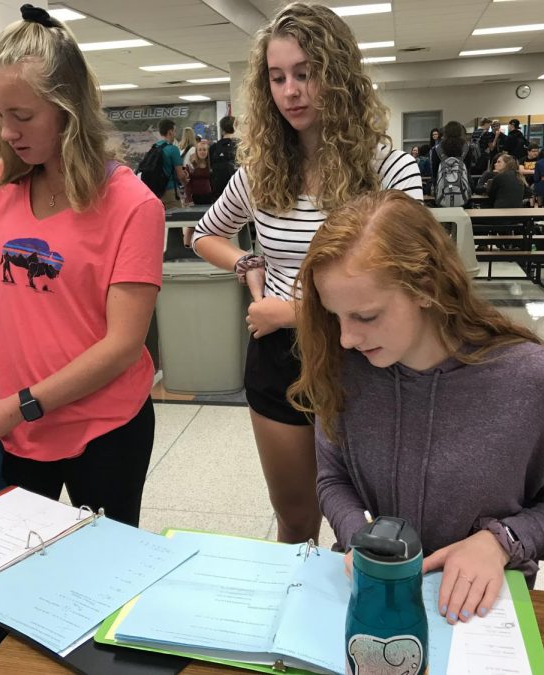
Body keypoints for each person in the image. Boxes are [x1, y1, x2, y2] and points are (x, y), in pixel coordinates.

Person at [0, 4, 164, 527]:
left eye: (23, 116)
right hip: (16, 429)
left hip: (104, 426)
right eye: (0, 113)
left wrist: (18, 405)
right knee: (10, 566)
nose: (8, 131)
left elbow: (122, 344)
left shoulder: (133, 205)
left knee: (103, 573)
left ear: (69, 110)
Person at [289, 189, 544, 624]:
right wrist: (358, 534)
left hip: (481, 612)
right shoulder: (345, 368)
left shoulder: (533, 380)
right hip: (368, 596)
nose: (345, 338)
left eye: (365, 316)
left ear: (427, 288)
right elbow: (333, 477)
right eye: (335, 316)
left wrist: (501, 541)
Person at [192, 2, 422, 544]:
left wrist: (290, 311)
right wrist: (248, 264)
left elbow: (409, 281)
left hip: (366, 357)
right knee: (296, 521)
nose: (291, 91)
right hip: (281, 362)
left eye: (305, 73)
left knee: (378, 527)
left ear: (337, 75)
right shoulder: (262, 173)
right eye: (277, 78)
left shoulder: (389, 169)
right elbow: (204, 234)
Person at [430, 120, 477, 205]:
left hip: (442, 192)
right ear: (460, 132)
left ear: (445, 132)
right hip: (463, 192)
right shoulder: (467, 148)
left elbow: (434, 173)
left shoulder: (436, 149)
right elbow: (468, 171)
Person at [155, 119, 188, 211]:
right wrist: (186, 182)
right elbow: (180, 175)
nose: (175, 133)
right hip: (170, 191)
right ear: (170, 132)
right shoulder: (173, 149)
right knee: (176, 222)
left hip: (156, 191)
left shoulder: (154, 147)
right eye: (174, 131)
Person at [208, 115, 239, 200]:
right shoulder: (241, 146)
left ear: (222, 129)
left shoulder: (213, 147)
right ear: (235, 126)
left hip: (219, 191)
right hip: (238, 189)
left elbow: (210, 168)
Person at [185, 139, 213, 205]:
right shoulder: (191, 165)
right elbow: (187, 184)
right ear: (196, 152)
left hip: (208, 196)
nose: (202, 152)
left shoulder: (210, 165)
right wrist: (189, 199)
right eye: (200, 150)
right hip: (195, 198)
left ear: (207, 151)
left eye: (204, 150)